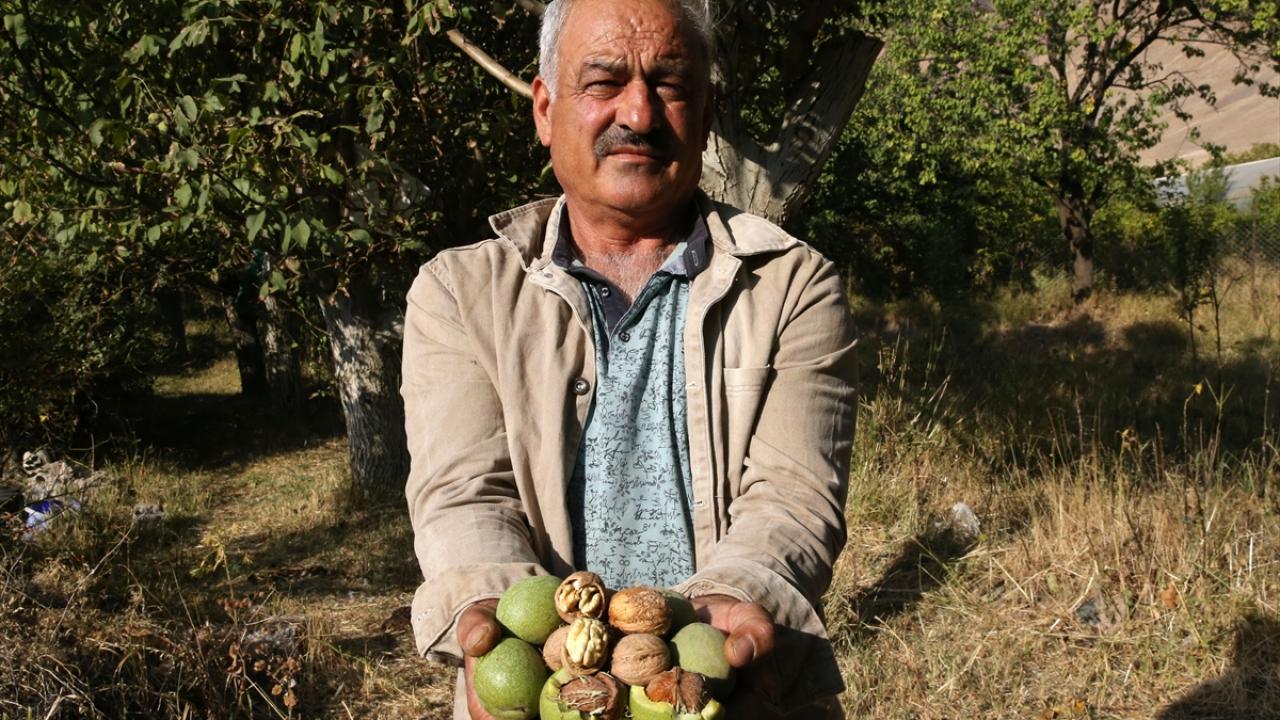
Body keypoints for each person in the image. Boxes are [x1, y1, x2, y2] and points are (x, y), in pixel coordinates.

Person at [400, 0, 858, 717]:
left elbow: (794, 500)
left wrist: (733, 602)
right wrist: (498, 621)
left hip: (739, 693)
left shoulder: (793, 284)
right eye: (604, 82)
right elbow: (463, 496)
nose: (639, 115)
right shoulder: (459, 293)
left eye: (671, 84)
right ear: (545, 109)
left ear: (708, 111)